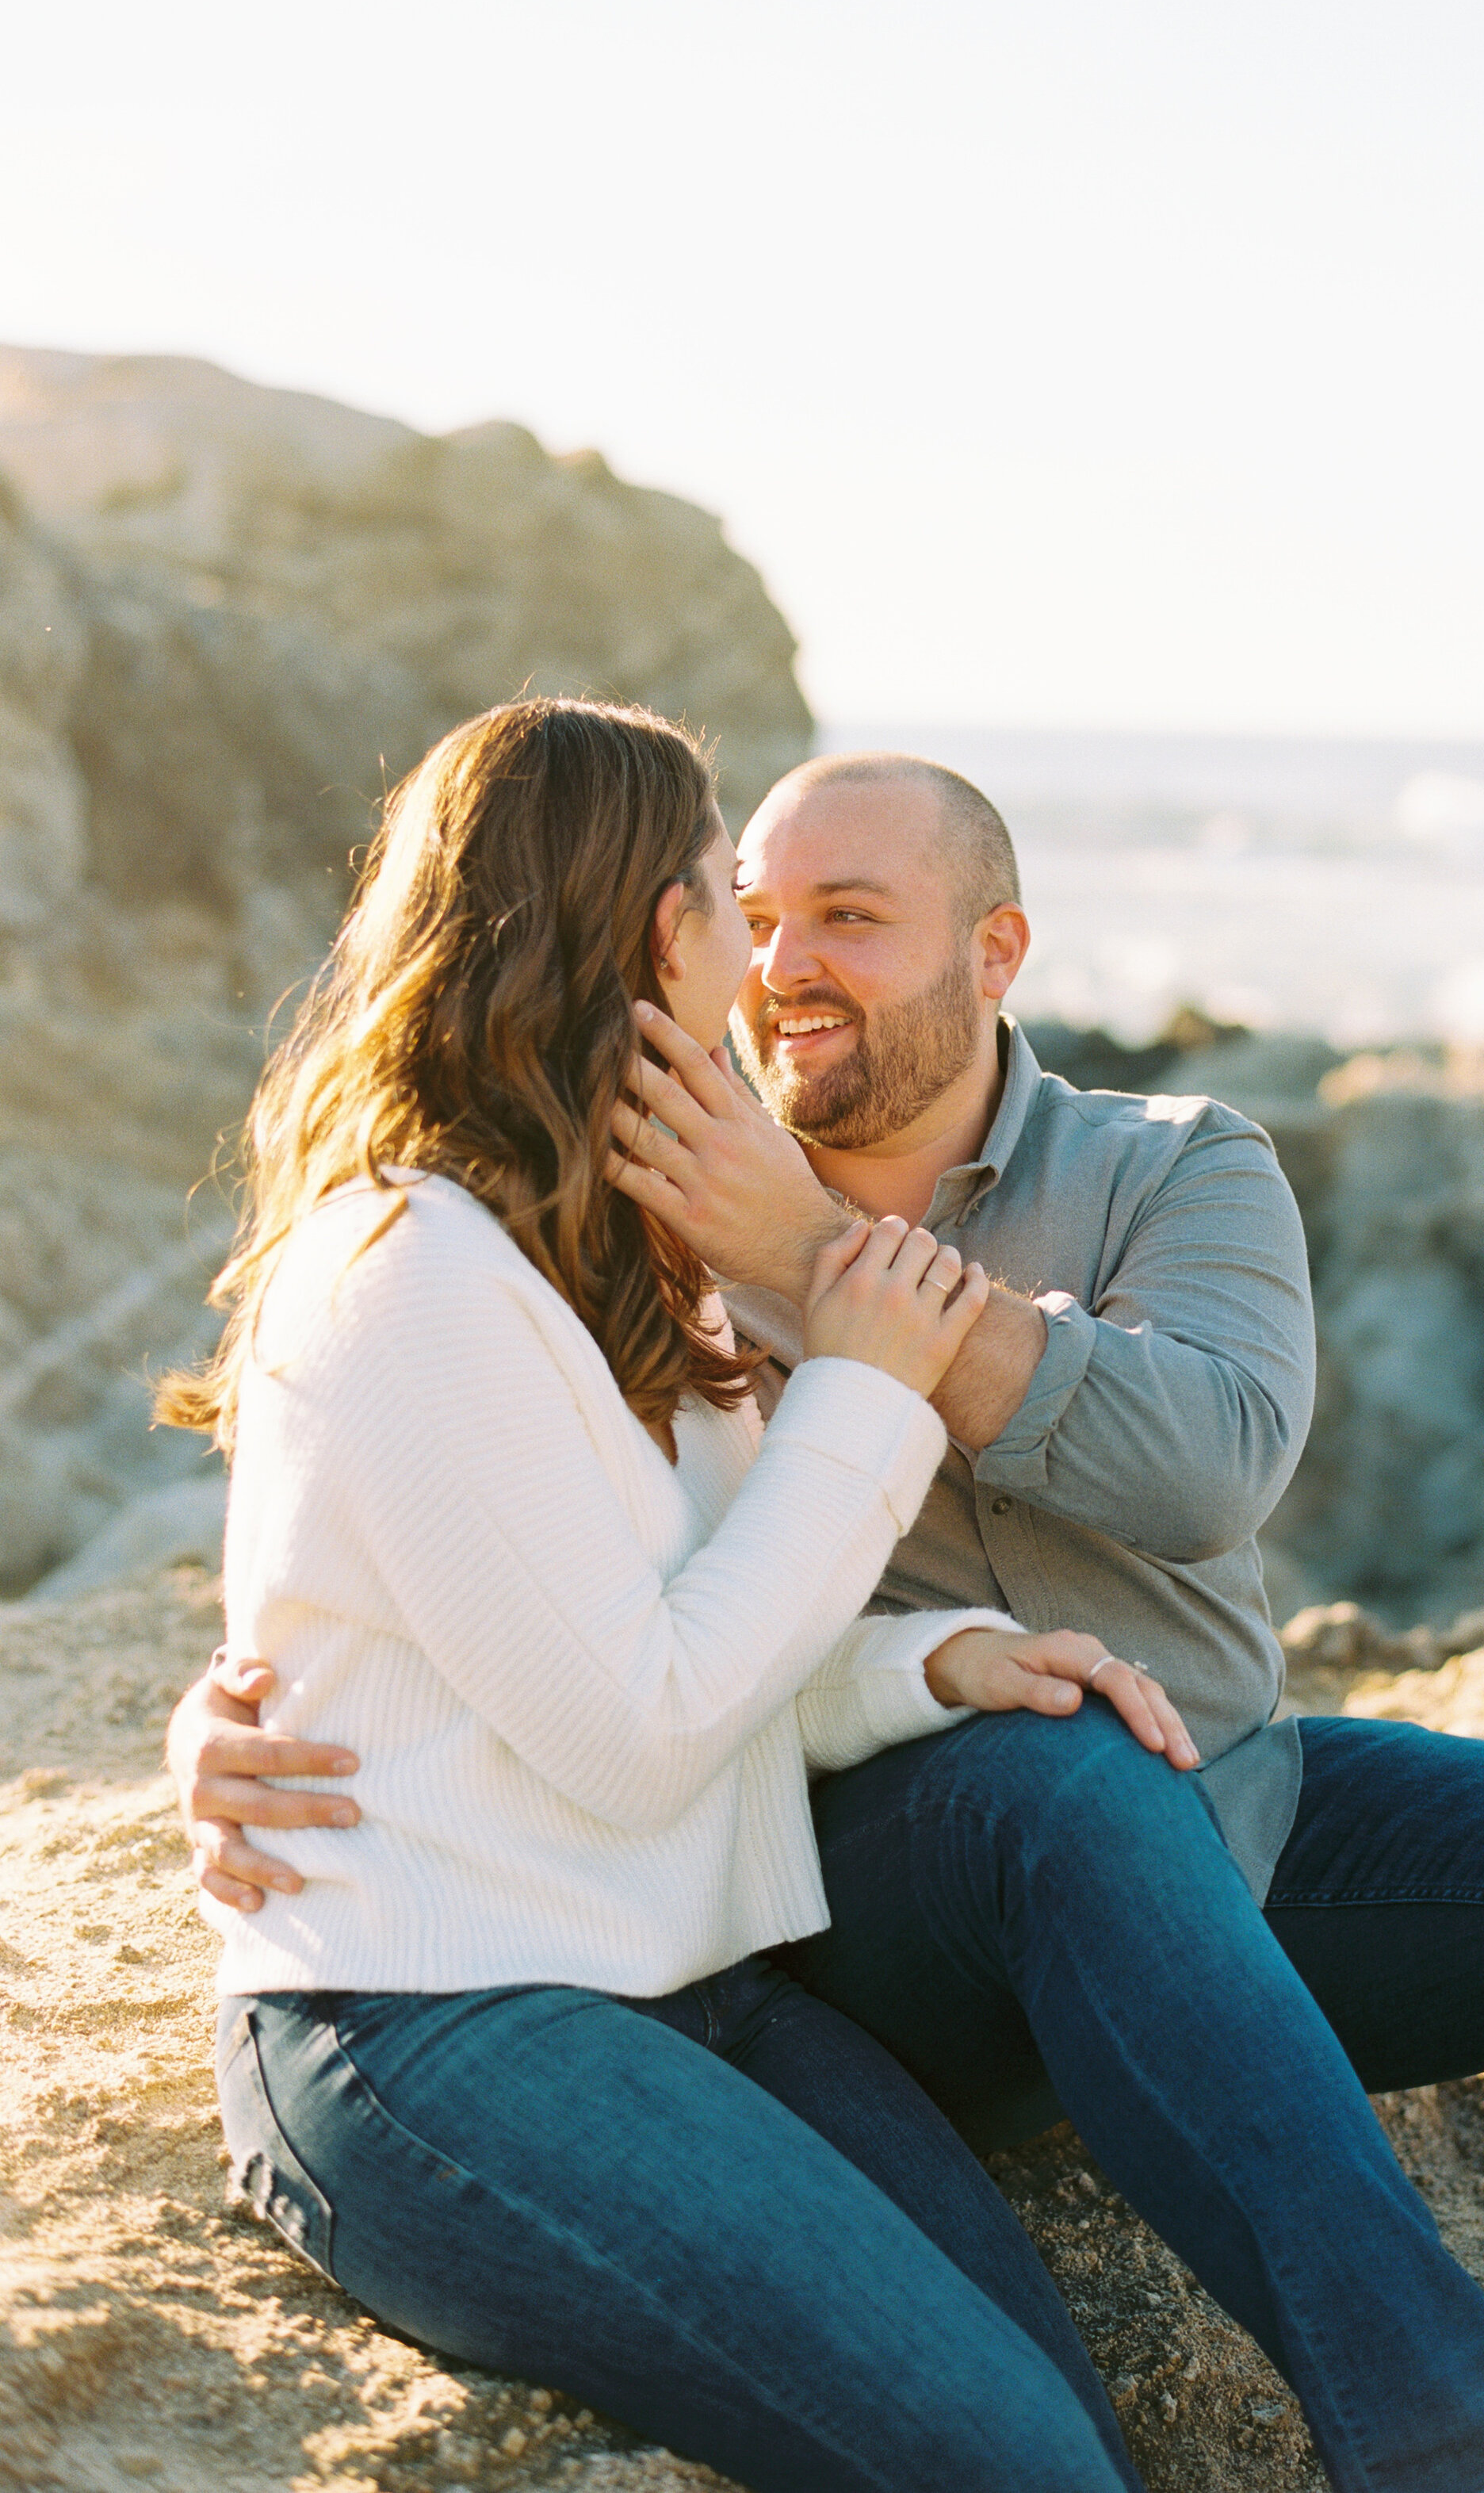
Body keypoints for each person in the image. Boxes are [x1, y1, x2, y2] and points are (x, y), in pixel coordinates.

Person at [173, 748, 1484, 2493]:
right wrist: (254, 1703)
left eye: (850, 915)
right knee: (1065, 1779)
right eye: (758, 909)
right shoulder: (634, 1214)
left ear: (995, 950)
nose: (788, 960)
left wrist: (828, 1271)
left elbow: (1206, 1466)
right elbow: (456, 1517)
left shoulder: (1164, 1166)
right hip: (883, 1889)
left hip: (1214, 1793)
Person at [160, 696, 1200, 2493]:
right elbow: (642, 1735)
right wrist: (867, 1388)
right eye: (732, 891)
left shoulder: (618, 1247)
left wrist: (929, 1661)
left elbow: (707, 1639)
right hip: (440, 2024)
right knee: (1013, 2466)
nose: (763, 941)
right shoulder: (399, 1273)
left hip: (691, 1982)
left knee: (1065, 2431)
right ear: (663, 931)